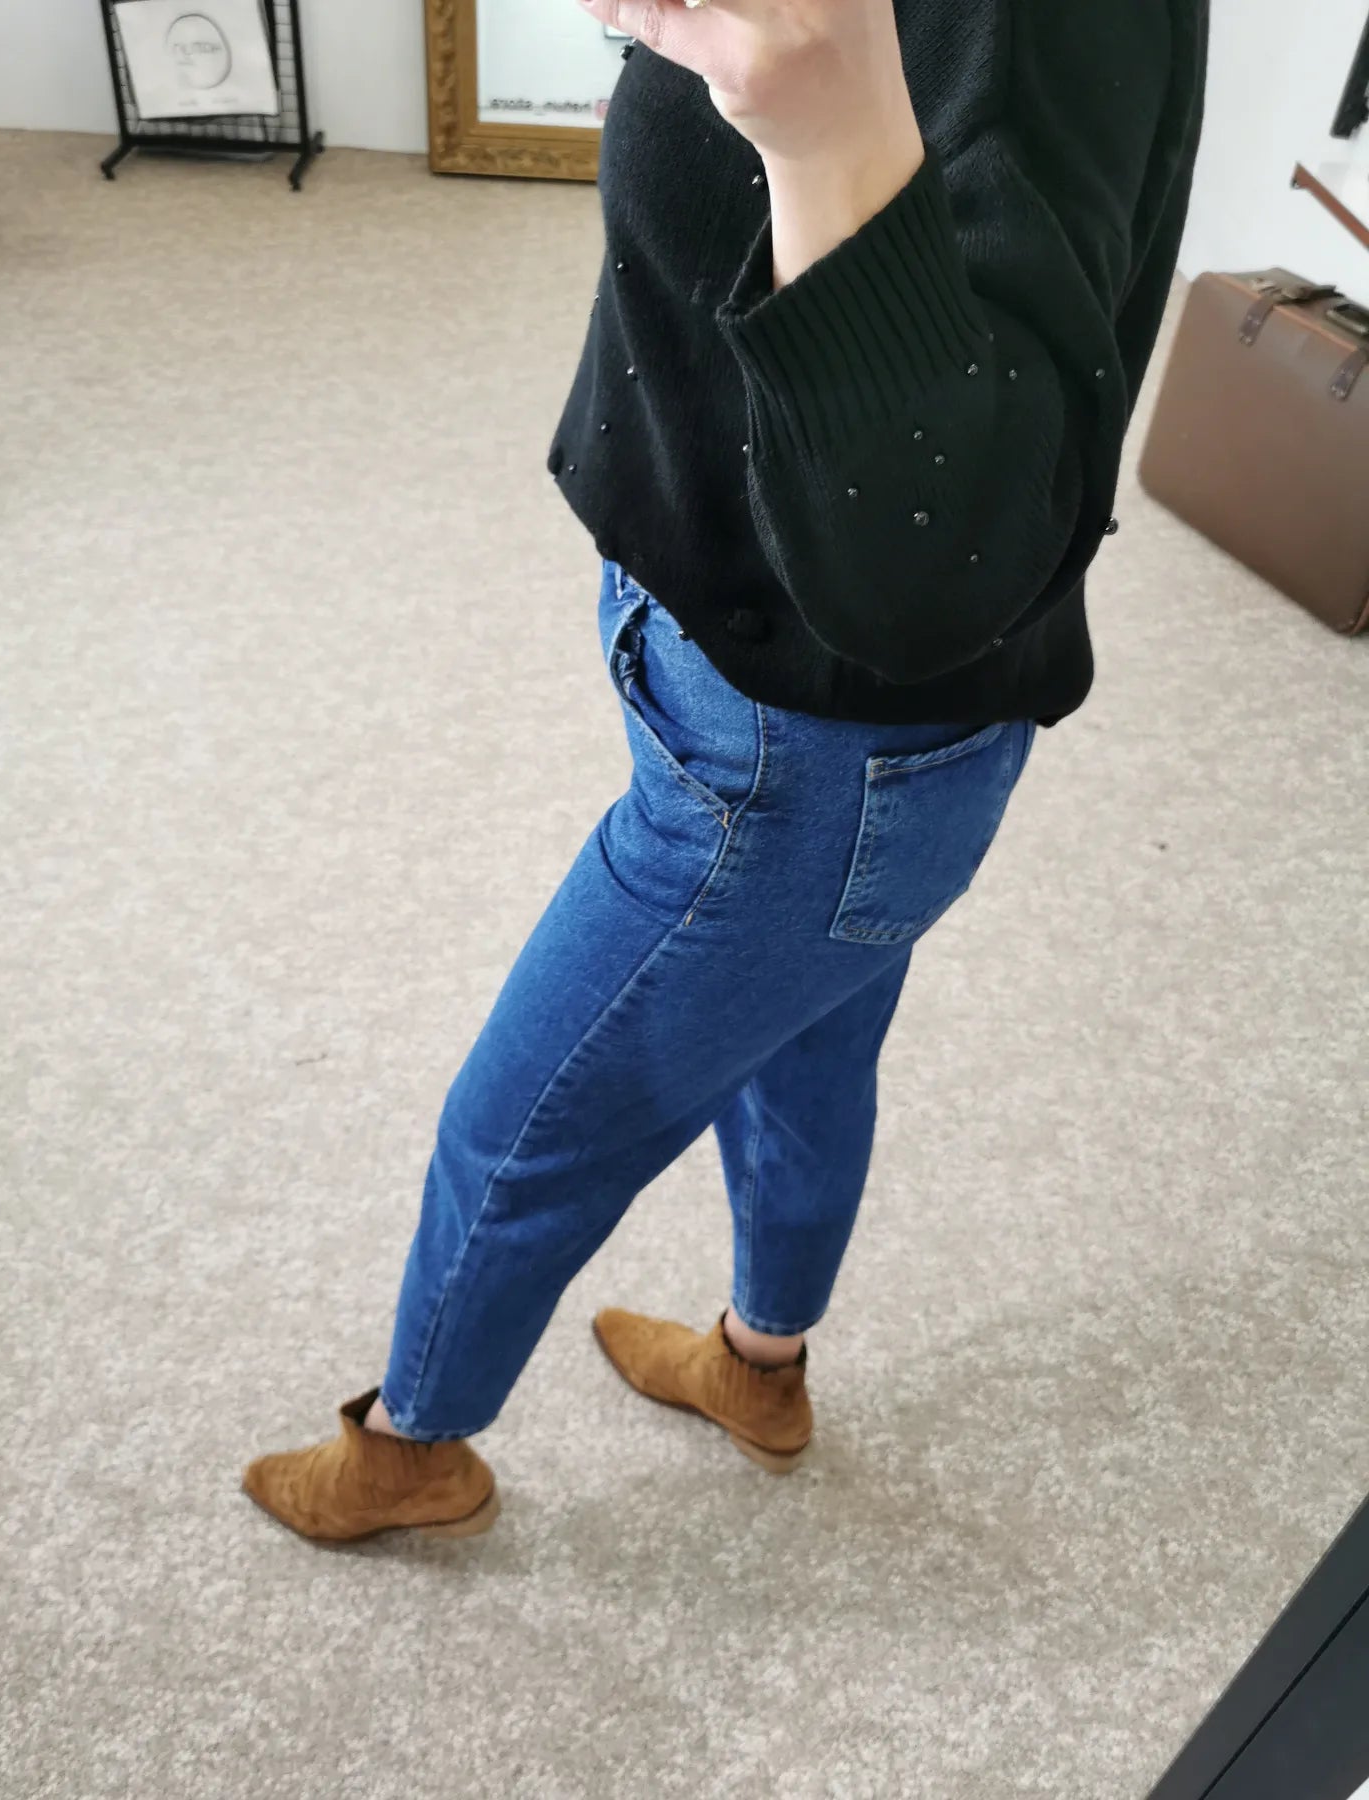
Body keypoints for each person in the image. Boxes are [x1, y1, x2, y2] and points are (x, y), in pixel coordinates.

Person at [242, 0, 1209, 1542]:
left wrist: (829, 142)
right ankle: (762, 1372)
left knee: (523, 1127)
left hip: (806, 765)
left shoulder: (1028, 33)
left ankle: (413, 1451)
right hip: (783, 710)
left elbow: (944, 559)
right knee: (803, 1059)